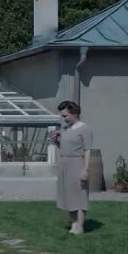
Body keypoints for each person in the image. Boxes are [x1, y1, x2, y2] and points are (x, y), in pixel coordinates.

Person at [51, 100, 93, 235]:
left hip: (77, 163)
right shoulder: (65, 129)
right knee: (68, 196)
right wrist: (56, 140)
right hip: (64, 163)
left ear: (74, 113)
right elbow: (64, 147)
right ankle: (73, 224)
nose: (63, 118)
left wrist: (85, 169)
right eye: (62, 116)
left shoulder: (84, 128)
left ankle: (80, 226)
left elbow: (87, 150)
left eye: (65, 116)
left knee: (79, 195)